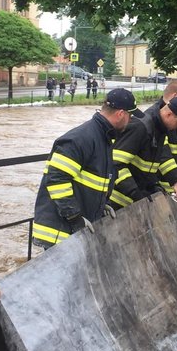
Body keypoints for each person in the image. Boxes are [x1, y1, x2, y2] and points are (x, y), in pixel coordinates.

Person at [31, 88, 136, 249]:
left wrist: (100, 206)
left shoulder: (103, 136)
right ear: (121, 114)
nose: (130, 121)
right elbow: (56, 179)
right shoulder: (82, 138)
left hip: (72, 230)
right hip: (60, 231)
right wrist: (75, 217)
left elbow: (92, 180)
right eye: (130, 116)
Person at [108, 96, 177, 209]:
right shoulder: (141, 127)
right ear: (169, 114)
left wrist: (154, 186)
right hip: (117, 201)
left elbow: (151, 165)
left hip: (133, 204)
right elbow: (115, 165)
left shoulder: (160, 130)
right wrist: (136, 193)